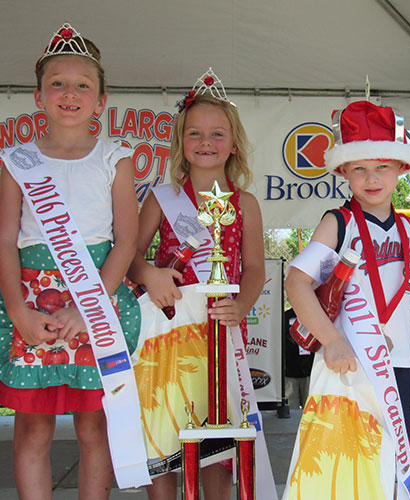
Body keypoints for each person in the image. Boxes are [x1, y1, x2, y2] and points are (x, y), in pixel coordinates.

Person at [285, 100, 410, 453]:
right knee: (348, 469)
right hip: (348, 365)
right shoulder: (338, 223)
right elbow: (296, 282)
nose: (372, 178)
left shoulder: (409, 229)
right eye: (359, 168)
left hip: (399, 366)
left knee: (393, 464)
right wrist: (331, 340)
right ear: (344, 171)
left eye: (382, 166)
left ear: (400, 168)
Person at [0, 23, 141, 499]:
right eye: (57, 82)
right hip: (33, 299)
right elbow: (3, 240)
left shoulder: (115, 159)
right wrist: (19, 311)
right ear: (38, 96)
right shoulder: (14, 161)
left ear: (101, 101)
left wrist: (87, 307)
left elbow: (125, 241)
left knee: (92, 428)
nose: (69, 93)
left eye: (83, 84)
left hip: (95, 298)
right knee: (33, 430)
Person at [128, 69, 265, 500]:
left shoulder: (246, 204)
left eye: (217, 133)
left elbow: (256, 268)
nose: (206, 142)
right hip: (169, 336)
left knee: (218, 447)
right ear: (181, 143)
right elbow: (129, 256)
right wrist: (148, 273)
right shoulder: (160, 197)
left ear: (234, 143)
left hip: (223, 333)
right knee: (165, 439)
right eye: (195, 134)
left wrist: (242, 305)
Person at [283, 308, 314, 409]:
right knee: (292, 407)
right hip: (290, 371)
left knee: (310, 407)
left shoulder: (314, 315)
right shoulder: (285, 316)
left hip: (309, 371)